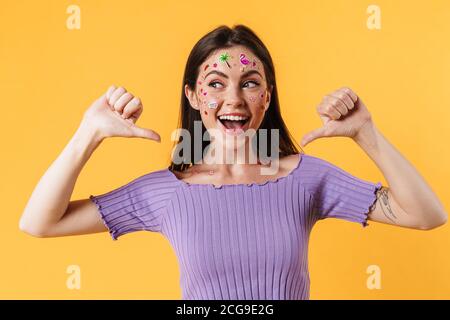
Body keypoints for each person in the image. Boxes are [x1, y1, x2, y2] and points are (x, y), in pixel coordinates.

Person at [19, 24, 447, 300]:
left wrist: (367, 134)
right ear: (192, 96)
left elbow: (426, 214)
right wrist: (88, 134)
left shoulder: (306, 177)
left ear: (267, 95)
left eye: (250, 83)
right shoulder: (165, 192)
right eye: (216, 83)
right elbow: (40, 222)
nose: (234, 99)